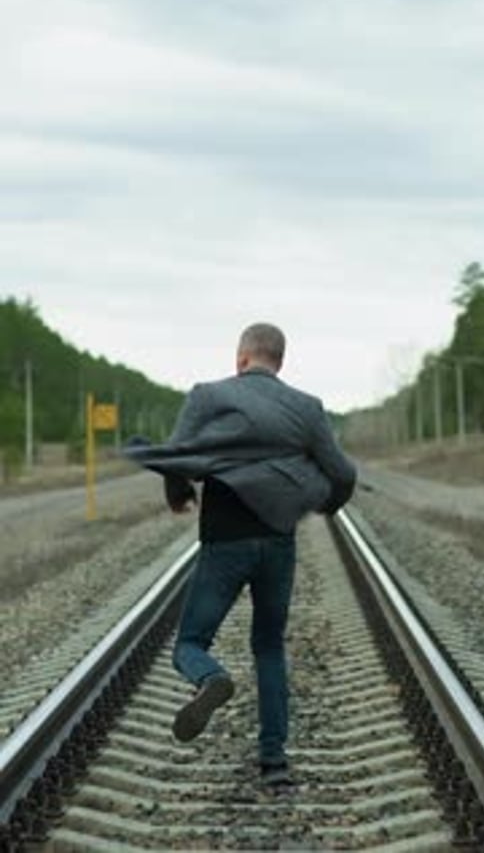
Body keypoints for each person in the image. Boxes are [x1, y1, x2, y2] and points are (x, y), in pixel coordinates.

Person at [125, 322, 356, 784]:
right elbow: (343, 475)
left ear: (241, 358)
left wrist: (179, 494)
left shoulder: (208, 396)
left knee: (191, 642)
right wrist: (322, 504)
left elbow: (180, 459)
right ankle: (274, 763)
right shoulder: (306, 407)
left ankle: (210, 678)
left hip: (224, 542)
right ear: (280, 362)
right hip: (277, 544)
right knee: (269, 648)